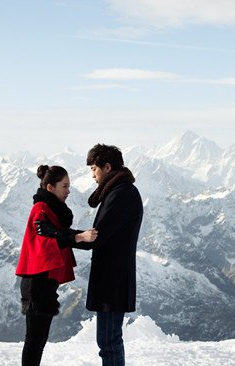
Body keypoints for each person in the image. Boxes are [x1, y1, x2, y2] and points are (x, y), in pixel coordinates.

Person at [15, 165, 97, 366]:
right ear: (50, 188)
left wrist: (88, 239)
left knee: (38, 340)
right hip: (37, 283)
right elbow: (47, 234)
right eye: (65, 186)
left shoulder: (51, 209)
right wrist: (79, 237)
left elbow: (61, 234)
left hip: (44, 282)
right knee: (35, 340)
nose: (69, 190)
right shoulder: (40, 209)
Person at [85, 144, 144, 366]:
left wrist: (70, 238)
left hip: (113, 281)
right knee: (108, 342)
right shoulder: (119, 191)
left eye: (93, 169)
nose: (92, 175)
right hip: (112, 279)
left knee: (109, 342)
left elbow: (98, 236)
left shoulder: (121, 194)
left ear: (107, 167)